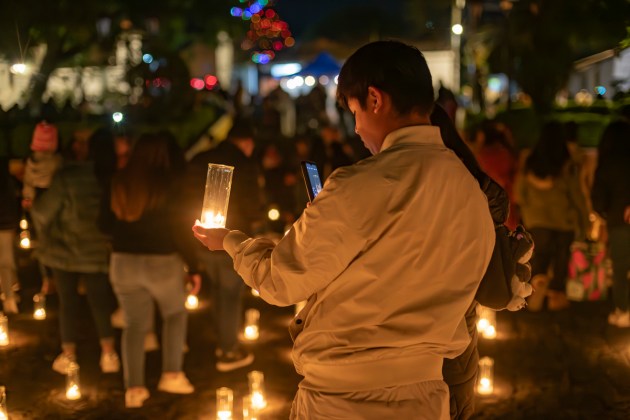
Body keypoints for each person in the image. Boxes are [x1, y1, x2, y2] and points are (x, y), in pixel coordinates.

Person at [193, 40, 495, 419]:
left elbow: (281, 280)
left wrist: (231, 242)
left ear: (374, 99)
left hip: (345, 399)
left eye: (354, 112)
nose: (355, 128)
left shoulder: (360, 185)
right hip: (427, 397)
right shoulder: (470, 189)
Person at [107, 132, 201, 408]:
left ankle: (133, 389)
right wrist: (193, 267)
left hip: (122, 262)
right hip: (161, 261)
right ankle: (171, 374)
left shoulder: (119, 181)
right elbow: (180, 229)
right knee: (174, 314)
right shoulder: (171, 183)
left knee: (134, 325)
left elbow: (103, 223)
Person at [30, 128, 120, 375]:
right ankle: (109, 354)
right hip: (96, 250)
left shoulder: (66, 177)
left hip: (65, 251)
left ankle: (69, 355)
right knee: (100, 302)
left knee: (68, 304)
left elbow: (42, 212)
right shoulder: (108, 176)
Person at [187, 121, 265, 372]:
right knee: (230, 294)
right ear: (247, 142)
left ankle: (222, 339)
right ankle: (228, 350)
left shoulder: (201, 158)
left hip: (202, 237)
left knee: (218, 290)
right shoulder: (245, 163)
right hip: (231, 239)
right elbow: (253, 203)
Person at [516, 121, 590, 311]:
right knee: (560, 263)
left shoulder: (529, 162)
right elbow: (577, 196)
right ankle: (556, 298)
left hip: (536, 221)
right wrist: (585, 221)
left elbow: (518, 194)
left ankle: (537, 289)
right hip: (563, 222)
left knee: (539, 259)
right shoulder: (566, 165)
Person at [591, 120, 630, 327]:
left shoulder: (608, 165)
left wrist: (606, 214)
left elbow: (598, 200)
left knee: (621, 267)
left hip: (619, 223)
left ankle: (623, 310)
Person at [0, 157, 20, 314]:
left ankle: (8, 294)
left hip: (6, 222)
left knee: (6, 262)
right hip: (6, 223)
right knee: (6, 261)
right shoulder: (7, 177)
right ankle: (9, 297)